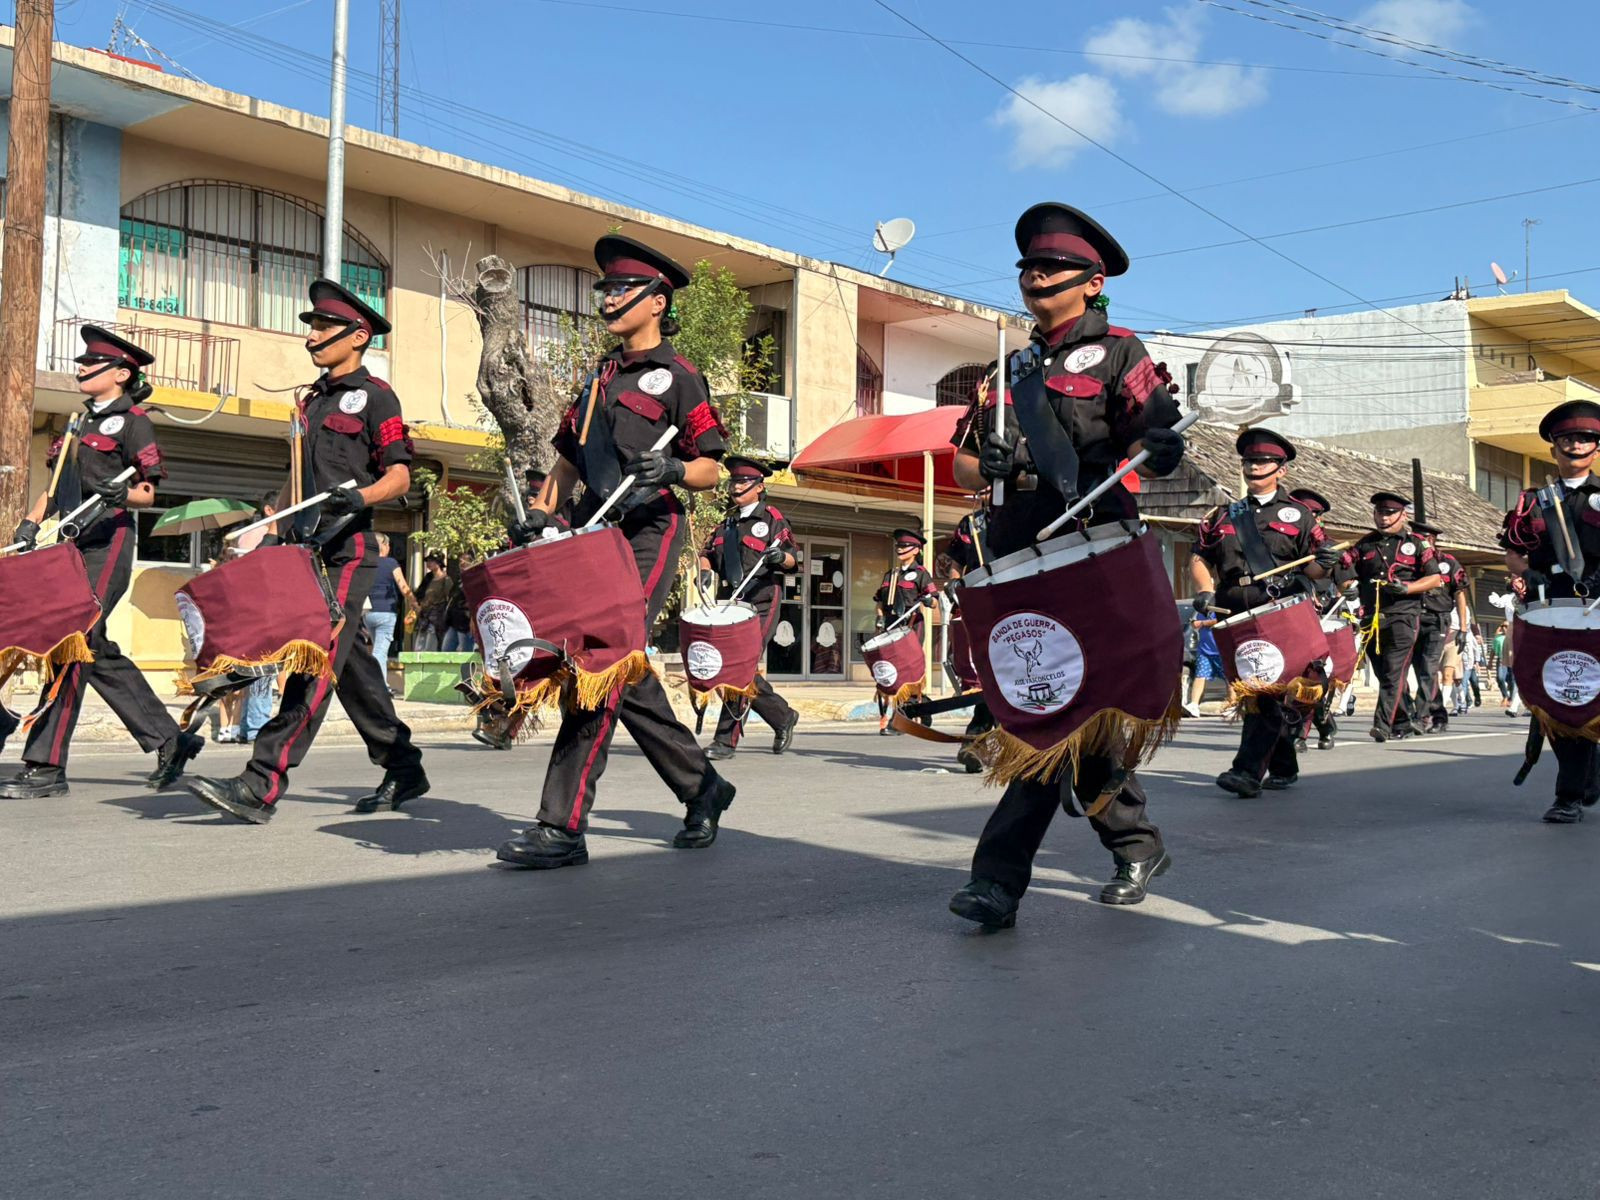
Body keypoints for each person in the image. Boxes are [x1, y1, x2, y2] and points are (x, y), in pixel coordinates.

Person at [946, 201, 1187, 929]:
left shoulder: (1120, 350)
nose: (1034, 276)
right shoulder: (1005, 368)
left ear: (1091, 282)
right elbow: (960, 465)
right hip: (1018, 547)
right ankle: (1136, 841)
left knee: (1049, 712)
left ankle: (997, 881)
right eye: (1027, 267)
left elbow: (1156, 432)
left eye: (1050, 268)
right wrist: (979, 461)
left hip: (1092, 546)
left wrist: (1166, 443)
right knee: (1063, 707)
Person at [494, 235, 735, 869]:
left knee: (598, 664)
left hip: (649, 530)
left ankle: (562, 826)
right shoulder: (599, 377)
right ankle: (701, 785)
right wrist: (543, 513)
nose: (608, 298)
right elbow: (567, 460)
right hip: (589, 534)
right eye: (604, 289)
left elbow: (714, 465)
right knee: (619, 668)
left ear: (657, 301)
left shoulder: (680, 378)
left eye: (621, 289)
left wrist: (675, 471)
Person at [183, 279, 428, 823]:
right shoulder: (311, 401)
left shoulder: (377, 396)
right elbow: (297, 478)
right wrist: (272, 536)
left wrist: (359, 495)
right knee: (354, 667)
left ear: (358, 335)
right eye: (311, 326)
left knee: (311, 661)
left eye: (323, 327)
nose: (312, 336)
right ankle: (404, 765)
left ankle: (260, 782)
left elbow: (400, 476)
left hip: (350, 551)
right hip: (304, 550)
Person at [0, 326, 203, 798]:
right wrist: (29, 522)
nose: (82, 368)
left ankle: (46, 765)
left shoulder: (135, 422)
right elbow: (53, 491)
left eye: (93, 364)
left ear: (121, 373)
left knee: (72, 641)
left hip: (108, 541)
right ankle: (170, 740)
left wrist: (122, 492)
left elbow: (148, 491)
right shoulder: (78, 423)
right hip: (67, 546)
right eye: (82, 362)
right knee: (93, 648)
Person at [1191, 429, 1333, 797]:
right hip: (1234, 611)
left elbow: (1315, 570)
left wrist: (1326, 563)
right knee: (1260, 691)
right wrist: (1205, 591)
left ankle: (1247, 771)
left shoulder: (1300, 516)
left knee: (1265, 688)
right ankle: (1283, 765)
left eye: (1264, 462)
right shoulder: (1221, 515)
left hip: (1277, 611)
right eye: (1249, 461)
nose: (1255, 467)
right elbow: (1200, 558)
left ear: (1281, 470)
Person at [1500, 399, 1600, 822]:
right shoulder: (1532, 501)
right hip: (1551, 609)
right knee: (1561, 700)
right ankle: (1569, 795)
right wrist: (1529, 574)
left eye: (1585, 438)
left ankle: (1587, 773)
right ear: (1554, 447)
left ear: (1596, 446)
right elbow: (1513, 552)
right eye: (1566, 439)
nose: (1575, 444)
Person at [695, 455, 800, 760]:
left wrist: (780, 558)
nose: (736, 487)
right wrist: (703, 570)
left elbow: (794, 560)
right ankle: (782, 716)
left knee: (738, 669)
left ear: (758, 486)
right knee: (734, 669)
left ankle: (726, 740)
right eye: (734, 482)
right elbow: (707, 553)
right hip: (730, 605)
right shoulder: (726, 522)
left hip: (762, 601)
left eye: (743, 482)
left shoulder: (772, 518)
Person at [1338, 491, 1444, 742]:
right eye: (1379, 513)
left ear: (1402, 515)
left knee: (1393, 672)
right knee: (1382, 671)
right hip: (1371, 617)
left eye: (1389, 513)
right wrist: (1347, 585)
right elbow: (1344, 568)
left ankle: (1382, 726)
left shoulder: (1417, 543)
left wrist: (1407, 588)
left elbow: (1435, 578)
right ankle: (1403, 721)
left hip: (1404, 616)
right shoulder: (1364, 544)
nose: (1383, 518)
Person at [1289, 485, 1345, 751]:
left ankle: (1307, 728)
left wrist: (1351, 592)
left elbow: (1347, 583)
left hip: (1322, 619)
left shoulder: (1329, 548)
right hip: (1284, 618)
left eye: (1308, 515)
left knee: (1313, 676)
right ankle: (1303, 727)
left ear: (1317, 519)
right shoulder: (1278, 541)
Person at [943, 499, 995, 772]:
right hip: (979, 601)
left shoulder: (1030, 510)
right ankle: (976, 742)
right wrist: (953, 582)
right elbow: (956, 561)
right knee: (990, 678)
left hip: (1019, 600)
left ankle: (980, 741)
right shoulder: (971, 523)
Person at [1405, 519, 1471, 733]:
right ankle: (1439, 714)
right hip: (1414, 618)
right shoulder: (1408, 561)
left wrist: (1463, 628)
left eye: (1420, 539)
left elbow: (1460, 594)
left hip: (1438, 619)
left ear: (1430, 540)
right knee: (1423, 670)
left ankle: (1420, 716)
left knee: (1428, 667)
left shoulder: (1448, 563)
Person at [871, 529, 939, 735]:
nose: (900, 549)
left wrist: (928, 600)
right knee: (887, 673)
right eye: (898, 546)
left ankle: (899, 719)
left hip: (911, 626)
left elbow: (934, 601)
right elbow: (879, 601)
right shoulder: (890, 575)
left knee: (906, 672)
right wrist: (880, 618)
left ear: (916, 549)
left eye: (905, 546)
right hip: (890, 626)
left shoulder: (921, 574)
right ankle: (915, 711)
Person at [363, 532, 414, 687]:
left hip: (368, 613)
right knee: (379, 651)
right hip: (386, 612)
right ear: (383, 545)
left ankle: (378, 683)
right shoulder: (391, 563)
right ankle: (380, 687)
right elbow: (403, 587)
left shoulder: (366, 563)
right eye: (388, 545)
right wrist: (414, 602)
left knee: (378, 650)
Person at [411, 554, 450, 652]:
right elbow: (419, 593)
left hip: (436, 617)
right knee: (419, 645)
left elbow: (449, 598)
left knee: (430, 645)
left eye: (431, 561)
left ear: (438, 563)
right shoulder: (428, 577)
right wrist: (416, 604)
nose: (428, 563)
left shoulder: (446, 579)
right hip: (424, 615)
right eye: (428, 561)